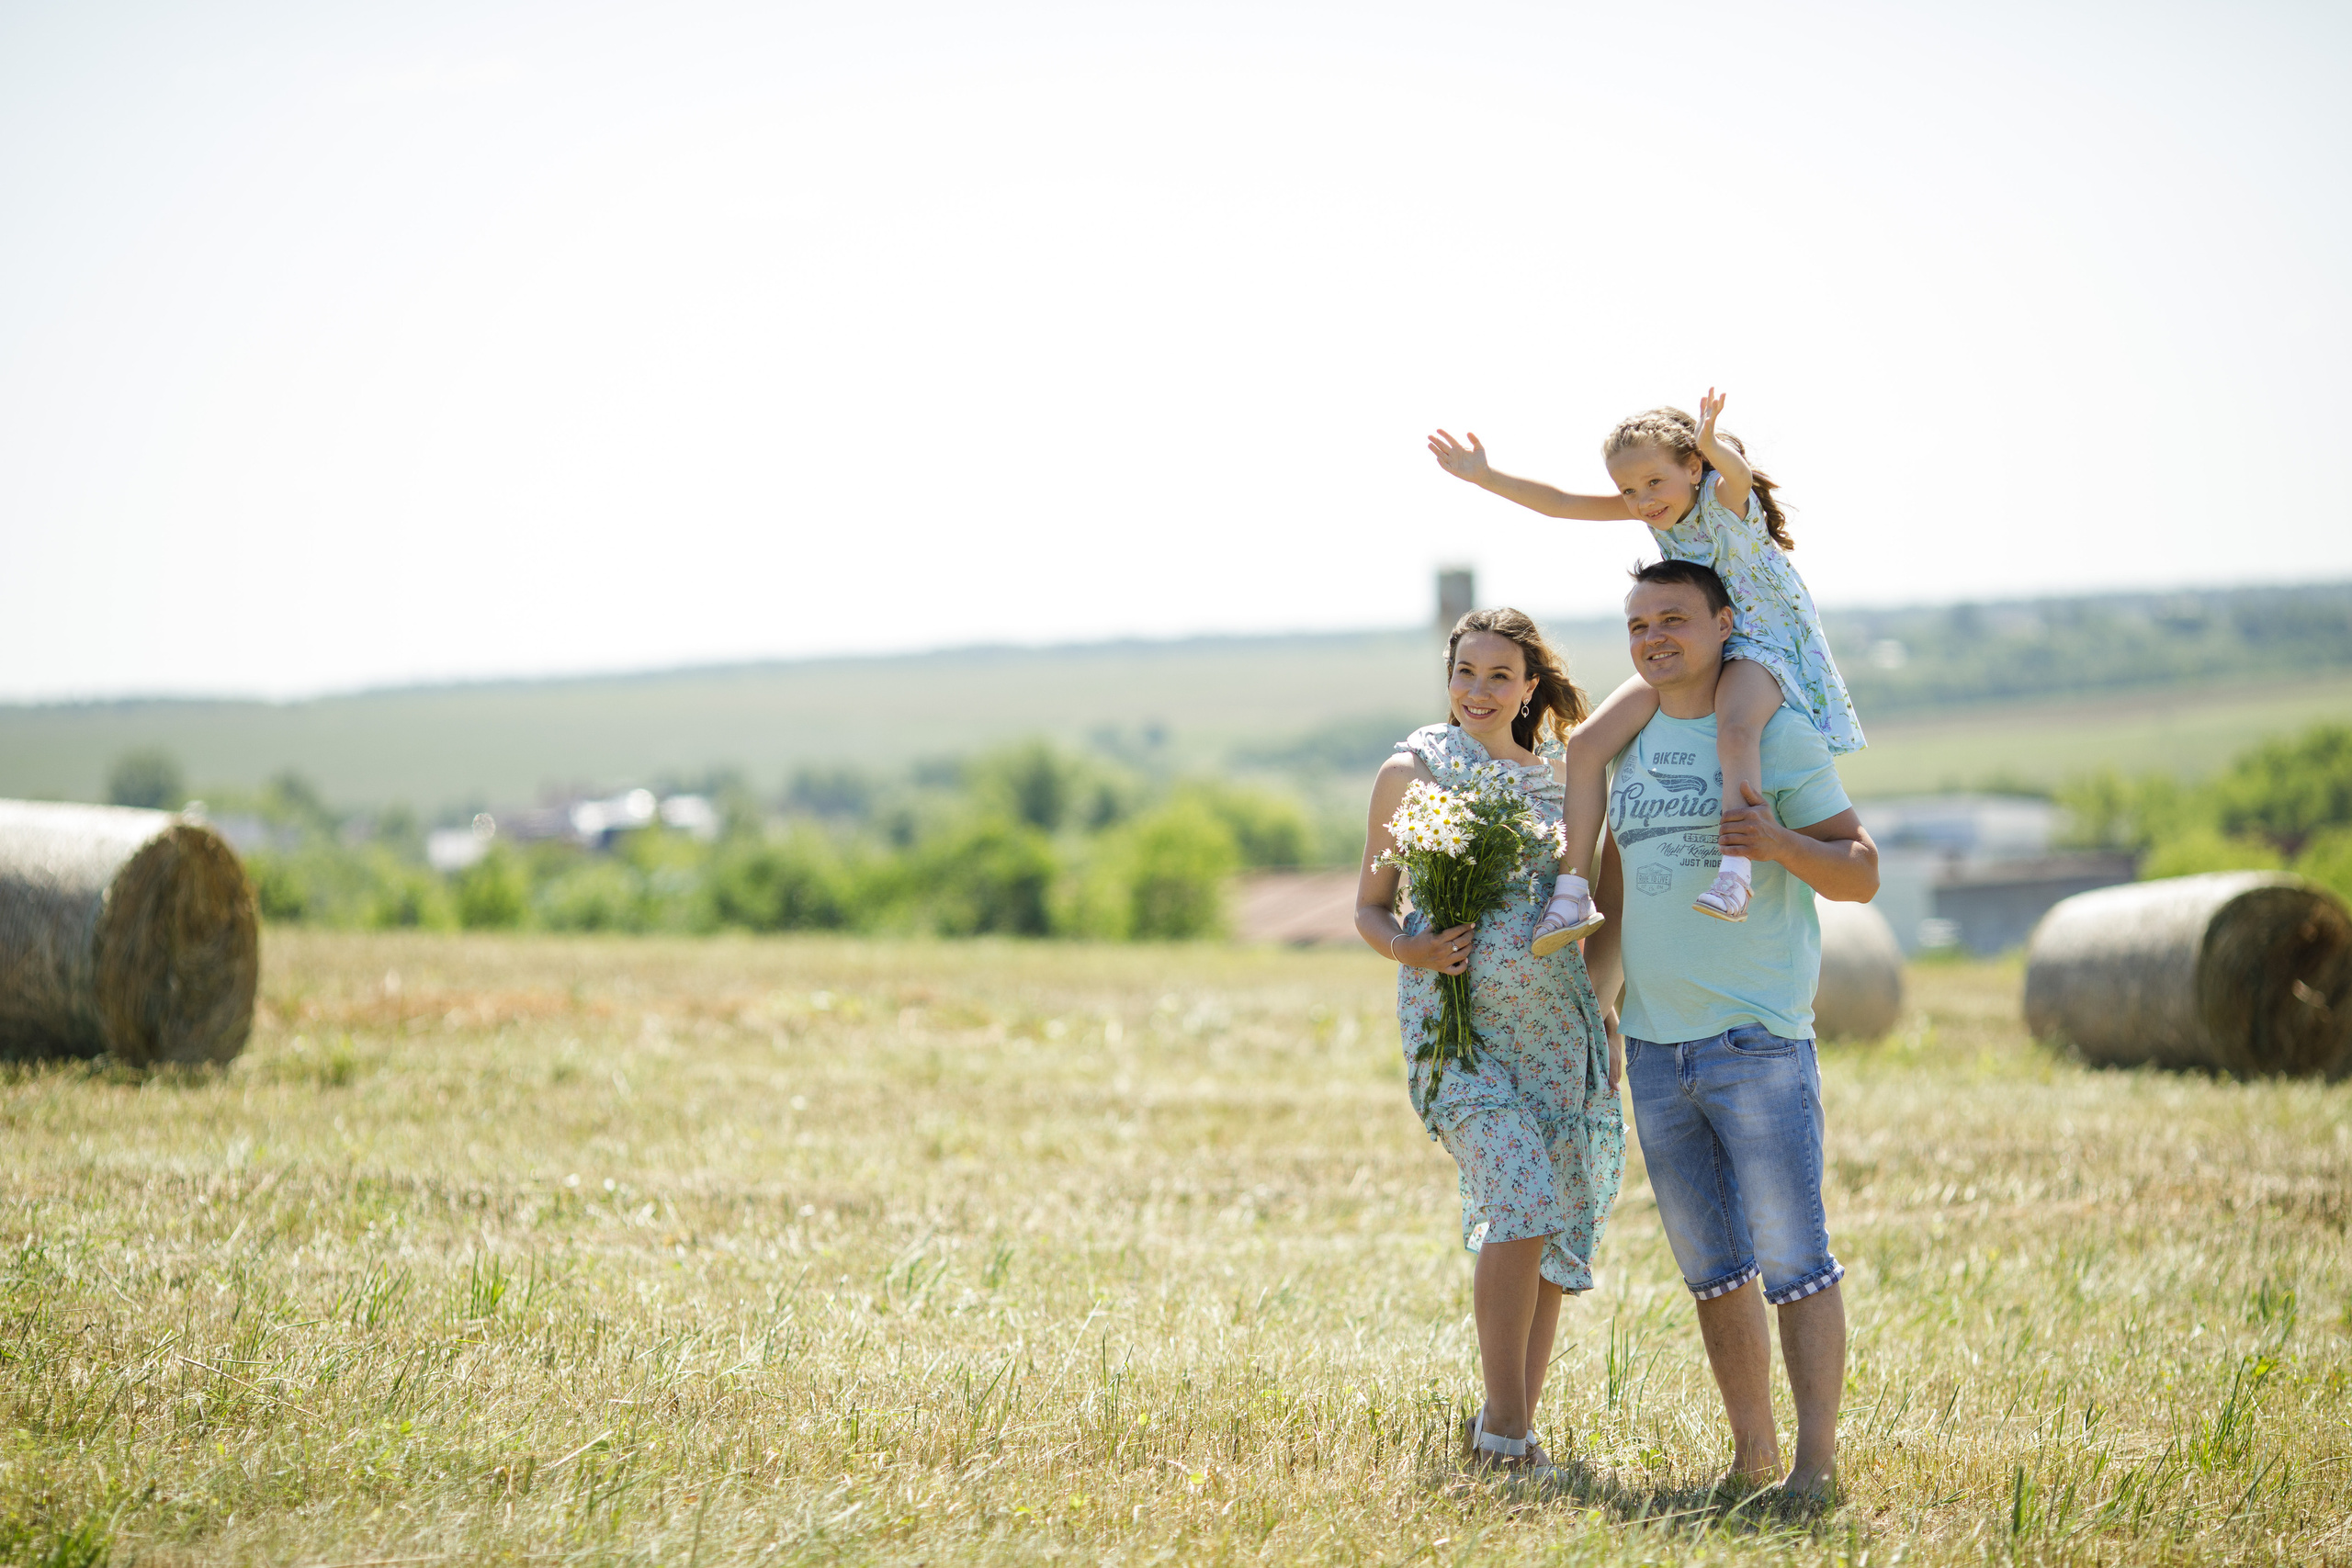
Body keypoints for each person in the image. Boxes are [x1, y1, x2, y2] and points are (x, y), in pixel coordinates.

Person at [1581, 559, 1879, 1496]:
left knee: (1795, 1262)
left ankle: (1815, 1467)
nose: (1652, 637)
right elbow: (1617, 885)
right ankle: (1751, 1460)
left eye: (1672, 618)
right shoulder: (1630, 741)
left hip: (1757, 1042)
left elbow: (1859, 869)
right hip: (1657, 1052)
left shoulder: (1771, 732)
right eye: (1636, 624)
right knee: (1712, 1273)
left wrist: (1781, 846)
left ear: (1723, 624)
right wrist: (1602, 1007)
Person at [1352, 608, 1626, 1474]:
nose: (1478, 690)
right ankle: (1504, 1433)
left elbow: (1605, 906)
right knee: (1515, 1197)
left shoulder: (1564, 783)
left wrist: (1606, 1014)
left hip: (1554, 1034)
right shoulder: (1414, 770)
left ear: (1528, 687)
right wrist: (1413, 949)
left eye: (1498, 676)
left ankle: (1512, 1422)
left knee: (1546, 1218)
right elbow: (1369, 904)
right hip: (1456, 1037)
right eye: (1465, 672)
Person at [1427, 393, 1863, 937]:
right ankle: (1572, 893)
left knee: (1735, 729)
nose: (1641, 500)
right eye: (1628, 490)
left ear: (1693, 468)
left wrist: (1712, 444)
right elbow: (1562, 502)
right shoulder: (1655, 510)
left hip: (1759, 647)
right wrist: (1485, 476)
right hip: (1697, 650)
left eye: (1654, 483)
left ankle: (1734, 876)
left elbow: (1739, 475)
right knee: (1586, 744)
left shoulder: (1723, 502)